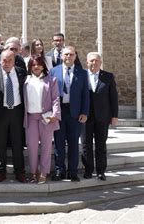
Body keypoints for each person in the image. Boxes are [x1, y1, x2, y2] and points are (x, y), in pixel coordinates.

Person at [50, 46, 89, 182]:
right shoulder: (53, 71)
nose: (68, 57)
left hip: (75, 113)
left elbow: (86, 94)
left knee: (73, 143)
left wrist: (84, 112)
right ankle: (60, 170)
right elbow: (49, 93)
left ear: (75, 56)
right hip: (59, 112)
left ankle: (72, 171)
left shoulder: (82, 73)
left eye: (71, 54)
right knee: (59, 143)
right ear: (62, 56)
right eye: (66, 54)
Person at [0, 49, 27, 183]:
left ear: (14, 61)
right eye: (4, 60)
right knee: (0, 143)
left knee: (18, 143)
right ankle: (0, 172)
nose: (6, 63)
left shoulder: (21, 72)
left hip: (17, 112)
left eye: (9, 60)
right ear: (0, 61)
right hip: (0, 112)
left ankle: (20, 172)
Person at [23, 56, 61, 184]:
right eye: (33, 65)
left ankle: (44, 172)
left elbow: (55, 98)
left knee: (46, 147)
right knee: (32, 147)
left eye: (38, 64)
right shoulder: (25, 80)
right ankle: (33, 172)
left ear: (43, 66)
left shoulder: (51, 80)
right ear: (30, 67)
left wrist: (55, 114)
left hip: (47, 117)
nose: (36, 67)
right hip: (31, 118)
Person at [84, 52, 119, 181]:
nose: (94, 63)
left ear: (100, 62)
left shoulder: (108, 77)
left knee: (100, 145)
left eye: (97, 61)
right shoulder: (82, 76)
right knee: (86, 145)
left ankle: (100, 171)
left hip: (103, 117)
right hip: (85, 117)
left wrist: (114, 115)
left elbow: (113, 98)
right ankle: (88, 170)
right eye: (91, 61)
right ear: (87, 62)